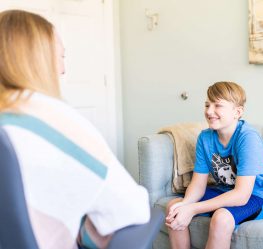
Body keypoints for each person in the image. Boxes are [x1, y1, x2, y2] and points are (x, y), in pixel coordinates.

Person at [0, 9, 150, 249]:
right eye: (60, 56)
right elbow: (131, 208)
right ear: (38, 59)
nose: (62, 69)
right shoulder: (48, 115)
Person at [165, 81, 263, 249]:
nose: (209, 111)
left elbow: (242, 195)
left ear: (237, 112)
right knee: (174, 207)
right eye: (207, 105)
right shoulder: (205, 138)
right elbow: (198, 184)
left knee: (222, 218)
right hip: (228, 191)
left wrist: (193, 209)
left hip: (261, 196)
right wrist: (185, 205)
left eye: (218, 105)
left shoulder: (248, 138)